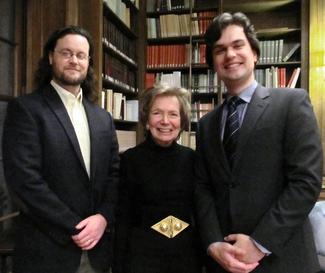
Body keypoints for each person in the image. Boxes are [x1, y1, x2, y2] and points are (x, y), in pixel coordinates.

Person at [195, 12, 323, 273]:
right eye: (220, 50)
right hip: (224, 262)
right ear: (213, 62)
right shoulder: (206, 124)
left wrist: (260, 242)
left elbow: (306, 181)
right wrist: (212, 244)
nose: (229, 54)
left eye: (237, 45)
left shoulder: (292, 103)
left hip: (283, 260)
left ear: (254, 53)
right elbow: (202, 188)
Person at [2, 26, 119, 272]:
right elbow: (25, 181)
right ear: (50, 57)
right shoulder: (26, 109)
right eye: (66, 52)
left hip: (97, 253)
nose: (74, 60)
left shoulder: (102, 118)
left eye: (81, 55)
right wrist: (75, 226)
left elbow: (114, 175)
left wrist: (103, 218)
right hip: (46, 252)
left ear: (88, 62)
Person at [113, 83, 202, 273]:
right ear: (146, 119)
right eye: (157, 113)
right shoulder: (129, 160)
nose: (165, 121)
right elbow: (122, 219)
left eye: (173, 114)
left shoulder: (194, 159)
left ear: (182, 120)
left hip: (186, 256)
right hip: (142, 257)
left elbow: (202, 212)